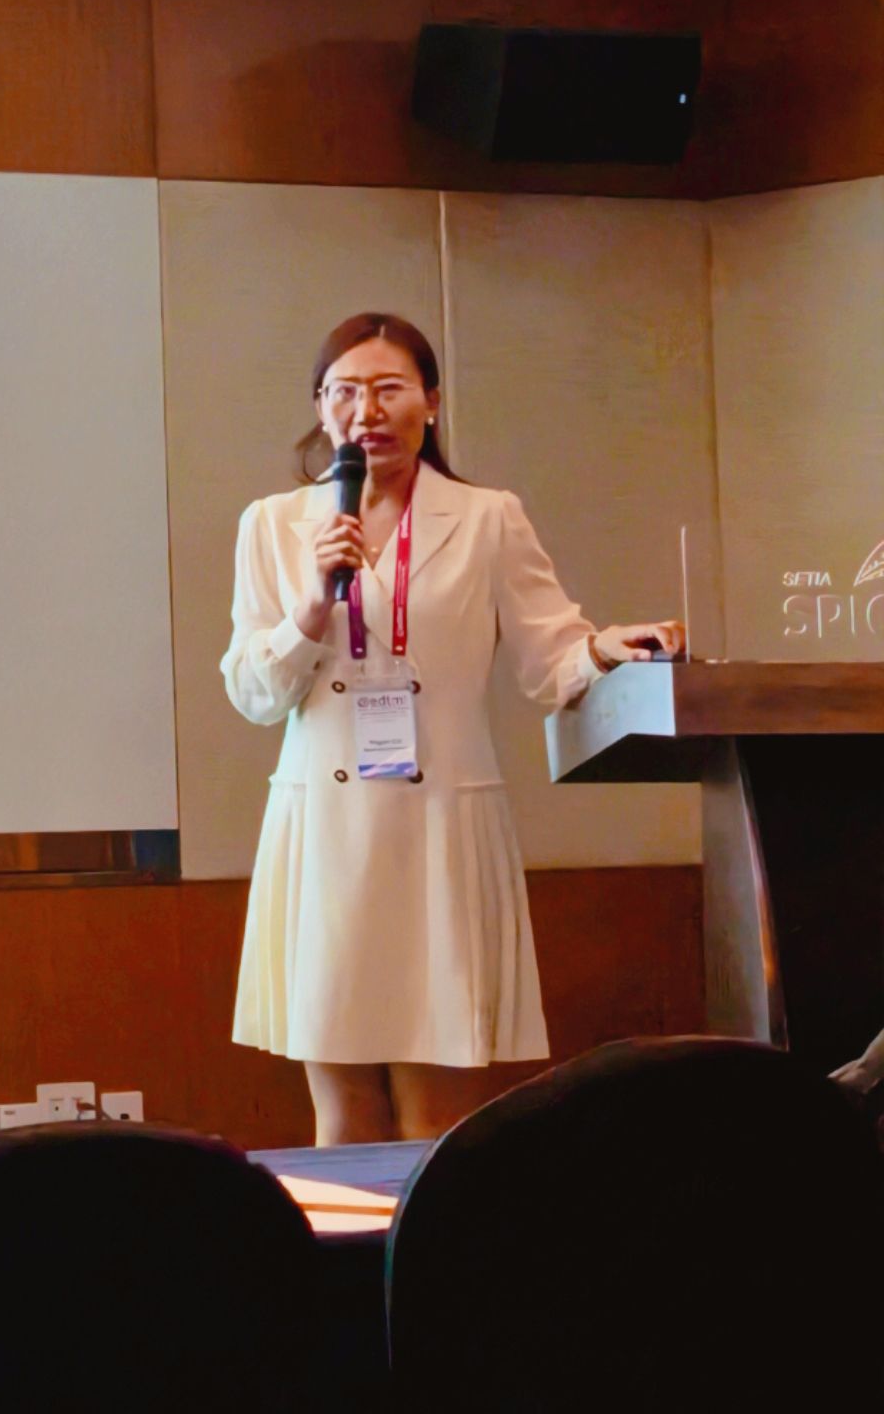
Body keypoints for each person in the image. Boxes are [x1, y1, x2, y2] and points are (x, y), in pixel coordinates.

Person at [222, 312, 683, 1146]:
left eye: (389, 389)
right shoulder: (274, 524)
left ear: (430, 402)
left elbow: (550, 659)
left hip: (440, 827)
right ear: (320, 407)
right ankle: (350, 1240)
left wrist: (604, 649)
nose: (367, 410)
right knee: (343, 1114)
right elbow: (255, 693)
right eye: (345, 392)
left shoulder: (485, 518)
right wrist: (310, 606)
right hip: (323, 830)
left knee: (439, 1119)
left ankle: (436, 1238)